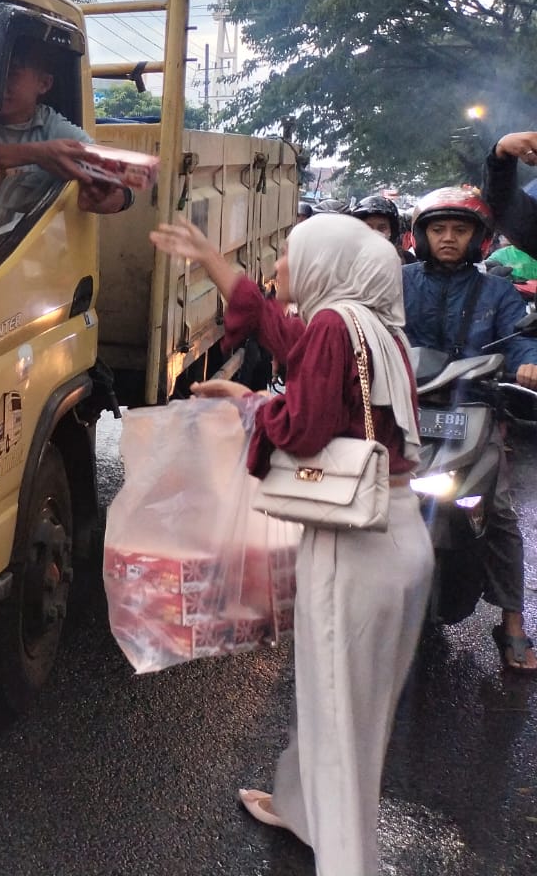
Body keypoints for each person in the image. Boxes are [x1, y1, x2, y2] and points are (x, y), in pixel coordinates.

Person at [152, 213, 432, 876]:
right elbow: (291, 340)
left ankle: (343, 859)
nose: (281, 266)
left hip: (352, 543)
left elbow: (302, 428)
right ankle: (302, 809)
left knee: (339, 725)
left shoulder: (337, 326)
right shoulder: (372, 324)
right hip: (398, 533)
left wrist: (250, 403)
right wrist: (219, 266)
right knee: (347, 708)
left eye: (289, 255)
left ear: (327, 263)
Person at [402, 186, 537, 672]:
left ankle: (513, 623)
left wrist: (530, 364)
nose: (448, 238)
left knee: (498, 511)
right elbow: (369, 328)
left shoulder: (497, 292)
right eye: (438, 229)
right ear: (421, 234)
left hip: (477, 410)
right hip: (404, 412)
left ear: (479, 239)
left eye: (459, 230)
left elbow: (522, 342)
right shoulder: (398, 282)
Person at [0, 38, 132, 223]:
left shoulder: (51, 126)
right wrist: (37, 153)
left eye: (12, 74)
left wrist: (109, 197)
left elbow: (118, 181)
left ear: (44, 84)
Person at [349, 194, 411, 262]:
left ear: (391, 231)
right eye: (368, 227)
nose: (375, 233)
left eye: (381, 228)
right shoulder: (347, 260)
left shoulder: (407, 260)